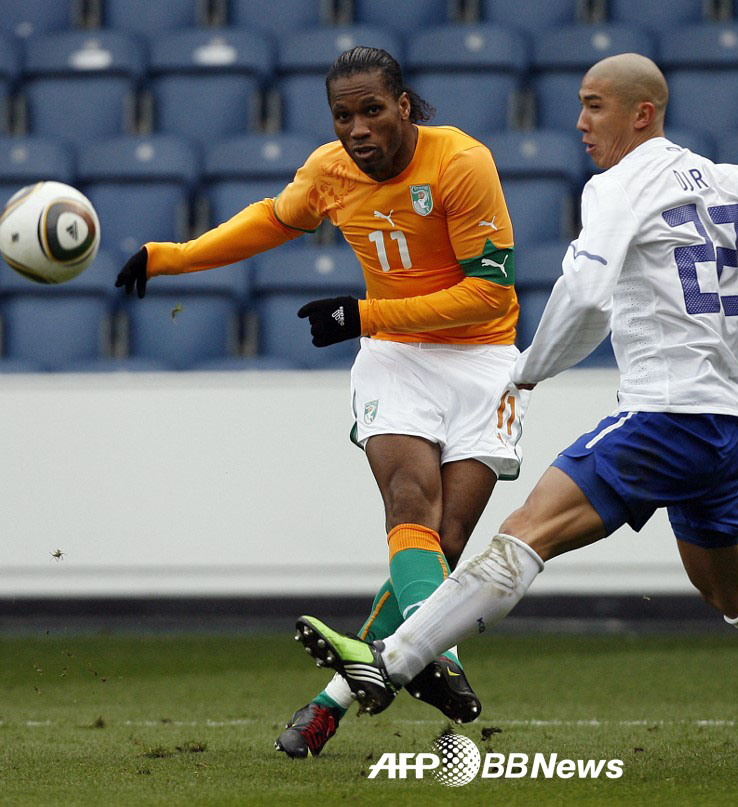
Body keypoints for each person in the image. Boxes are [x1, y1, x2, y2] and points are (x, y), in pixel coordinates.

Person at [289, 52, 738, 767]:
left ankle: (388, 662)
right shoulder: (725, 184)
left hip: (661, 419)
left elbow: (584, 293)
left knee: (522, 536)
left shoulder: (618, 186)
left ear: (642, 113)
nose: (580, 123)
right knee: (734, 593)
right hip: (724, 428)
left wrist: (528, 369)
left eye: (595, 106)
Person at [115, 46, 529, 758]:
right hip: (397, 360)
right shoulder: (329, 172)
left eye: (371, 109)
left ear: (403, 105)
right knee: (410, 502)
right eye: (343, 115)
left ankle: (328, 704)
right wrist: (169, 256)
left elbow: (489, 293)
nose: (357, 128)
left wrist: (364, 314)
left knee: (445, 548)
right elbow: (269, 219)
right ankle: (444, 661)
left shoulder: (461, 163)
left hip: (483, 360)